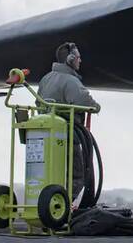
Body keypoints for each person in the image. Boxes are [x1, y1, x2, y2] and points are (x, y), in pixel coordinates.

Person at [38, 42, 100, 200]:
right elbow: (84, 101)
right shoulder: (71, 81)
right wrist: (96, 107)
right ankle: (64, 205)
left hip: (45, 136)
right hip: (67, 137)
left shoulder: (46, 79)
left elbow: (38, 103)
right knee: (77, 177)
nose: (80, 61)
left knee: (50, 173)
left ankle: (48, 202)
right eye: (78, 57)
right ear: (70, 59)